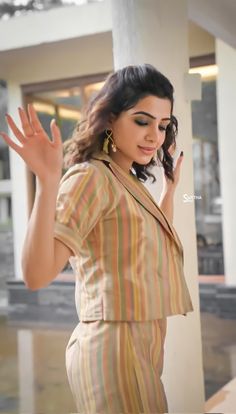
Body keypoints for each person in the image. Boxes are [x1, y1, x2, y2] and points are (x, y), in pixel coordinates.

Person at [0, 63, 194, 413]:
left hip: (141, 344)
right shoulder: (91, 177)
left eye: (163, 126)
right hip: (114, 348)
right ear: (109, 120)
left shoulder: (126, 182)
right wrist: (47, 180)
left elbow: (157, 235)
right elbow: (37, 274)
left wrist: (171, 189)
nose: (155, 136)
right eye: (142, 121)